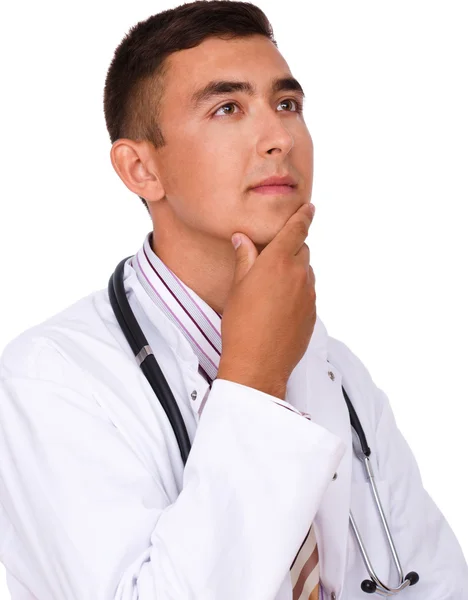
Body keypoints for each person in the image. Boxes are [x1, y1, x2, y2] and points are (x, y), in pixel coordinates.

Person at [0, 1, 467, 598]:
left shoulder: (338, 373)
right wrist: (253, 378)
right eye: (227, 108)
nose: (279, 138)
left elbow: (439, 586)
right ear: (141, 168)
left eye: (287, 104)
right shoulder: (53, 379)